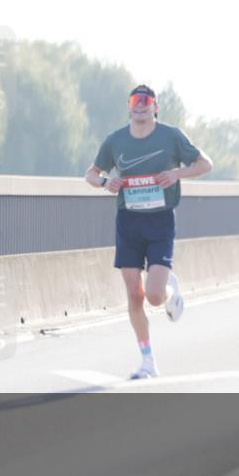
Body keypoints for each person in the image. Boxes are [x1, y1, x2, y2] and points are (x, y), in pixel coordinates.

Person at [85, 85, 212, 379]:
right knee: (134, 294)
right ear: (129, 107)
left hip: (160, 221)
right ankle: (147, 360)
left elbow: (205, 163)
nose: (140, 105)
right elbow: (90, 174)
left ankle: (168, 292)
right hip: (128, 221)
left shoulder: (171, 136)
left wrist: (176, 173)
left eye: (146, 101)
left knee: (154, 296)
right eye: (135, 101)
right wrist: (105, 182)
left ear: (155, 107)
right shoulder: (115, 141)